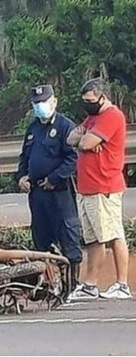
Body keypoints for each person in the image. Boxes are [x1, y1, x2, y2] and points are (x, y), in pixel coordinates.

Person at [66, 78, 132, 300]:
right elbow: (71, 138)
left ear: (103, 96)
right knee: (94, 239)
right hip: (87, 187)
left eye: (91, 100)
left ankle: (122, 284)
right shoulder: (93, 117)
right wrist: (85, 137)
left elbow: (83, 143)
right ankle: (90, 284)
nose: (88, 104)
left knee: (112, 235)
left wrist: (86, 139)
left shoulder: (112, 116)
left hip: (105, 185)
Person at [14, 84, 83, 292]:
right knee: (41, 238)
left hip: (59, 191)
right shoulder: (32, 128)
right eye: (36, 103)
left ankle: (72, 287)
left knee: (68, 235)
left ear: (54, 101)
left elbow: (73, 158)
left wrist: (54, 178)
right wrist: (21, 177)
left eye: (44, 102)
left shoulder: (65, 126)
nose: (40, 106)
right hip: (37, 193)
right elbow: (24, 158)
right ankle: (46, 286)